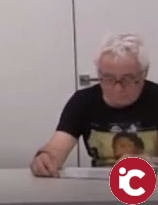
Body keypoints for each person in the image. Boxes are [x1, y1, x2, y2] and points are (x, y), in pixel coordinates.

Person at [30, 33, 158, 177]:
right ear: (99, 73)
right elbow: (56, 148)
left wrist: (150, 162)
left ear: (144, 73)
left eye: (128, 79)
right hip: (101, 185)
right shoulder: (83, 101)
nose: (118, 88)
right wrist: (46, 158)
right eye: (108, 78)